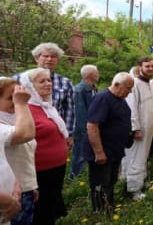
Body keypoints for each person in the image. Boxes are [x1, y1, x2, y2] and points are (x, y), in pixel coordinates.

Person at [19, 68, 69, 225]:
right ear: (29, 86)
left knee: (50, 209)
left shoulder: (46, 106)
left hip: (56, 168)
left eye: (49, 80)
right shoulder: (25, 109)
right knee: (41, 211)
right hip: (39, 171)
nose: (48, 83)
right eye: (42, 81)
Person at [84, 72, 134, 212]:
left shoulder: (119, 99)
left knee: (111, 181)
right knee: (100, 182)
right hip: (103, 151)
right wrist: (99, 152)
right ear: (117, 85)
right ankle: (100, 211)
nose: (130, 92)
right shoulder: (103, 98)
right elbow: (92, 125)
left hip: (114, 151)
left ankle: (109, 207)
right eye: (128, 88)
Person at [122, 57, 153, 200]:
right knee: (135, 157)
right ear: (140, 68)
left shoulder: (149, 83)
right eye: (147, 66)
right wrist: (135, 128)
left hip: (148, 127)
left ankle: (139, 181)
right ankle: (133, 189)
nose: (150, 68)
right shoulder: (135, 84)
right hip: (139, 129)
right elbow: (132, 108)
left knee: (143, 157)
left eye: (151, 66)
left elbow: (151, 106)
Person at [0, 78, 36, 225]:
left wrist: (29, 185)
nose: (15, 102)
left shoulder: (13, 119)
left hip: (19, 191)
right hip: (7, 199)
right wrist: (21, 103)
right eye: (11, 98)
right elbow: (26, 134)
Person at [28, 43, 74, 146]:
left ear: (57, 60)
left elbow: (70, 110)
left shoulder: (65, 83)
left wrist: (69, 134)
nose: (49, 59)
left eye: (53, 56)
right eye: (45, 56)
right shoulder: (24, 80)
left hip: (56, 133)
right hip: (30, 133)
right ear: (36, 58)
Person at [69, 65, 99, 180]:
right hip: (82, 129)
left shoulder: (93, 88)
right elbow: (80, 112)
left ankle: (83, 176)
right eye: (96, 72)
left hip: (92, 127)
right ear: (90, 75)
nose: (98, 75)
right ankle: (74, 178)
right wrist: (86, 130)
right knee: (80, 154)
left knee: (88, 153)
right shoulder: (79, 90)